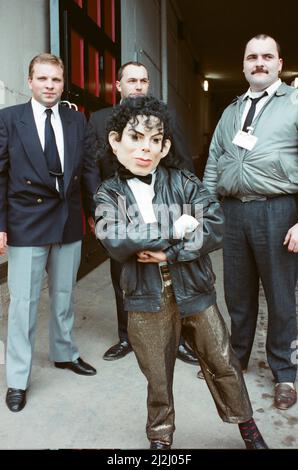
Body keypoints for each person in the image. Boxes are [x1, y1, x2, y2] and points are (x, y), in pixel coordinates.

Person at [94, 95, 268, 449]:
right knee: (157, 376)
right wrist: (176, 228)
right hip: (145, 298)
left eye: (154, 140)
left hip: (195, 291)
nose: (145, 149)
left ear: (165, 146)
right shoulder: (109, 193)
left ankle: (247, 426)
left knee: (223, 361)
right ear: (115, 142)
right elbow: (115, 237)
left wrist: (167, 252)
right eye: (135, 138)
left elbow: (215, 223)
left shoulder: (184, 182)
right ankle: (160, 439)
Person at [0, 53, 100, 412]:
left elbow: (89, 170)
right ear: (29, 81)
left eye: (55, 80)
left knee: (63, 294)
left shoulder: (76, 120)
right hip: (25, 220)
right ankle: (17, 378)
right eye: (42, 79)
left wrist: (95, 213)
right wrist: (0, 225)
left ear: (62, 83)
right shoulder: (9, 119)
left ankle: (64, 352)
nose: (49, 86)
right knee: (23, 305)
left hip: (68, 217)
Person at [203, 34, 298, 410]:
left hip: (279, 209)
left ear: (279, 63)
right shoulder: (231, 111)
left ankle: (285, 373)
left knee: (281, 296)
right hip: (234, 212)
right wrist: (209, 211)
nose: (259, 62)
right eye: (252, 57)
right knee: (237, 294)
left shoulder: (294, 103)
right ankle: (237, 358)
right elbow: (214, 162)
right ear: (243, 65)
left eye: (267, 57)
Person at [87, 61, 198, 365]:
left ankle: (176, 340)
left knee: (169, 272)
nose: (138, 86)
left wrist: (186, 210)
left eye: (144, 80)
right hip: (120, 208)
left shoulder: (164, 117)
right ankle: (128, 337)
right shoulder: (98, 121)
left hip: (159, 203)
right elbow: (90, 170)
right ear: (118, 85)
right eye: (132, 80)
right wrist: (97, 211)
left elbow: (182, 162)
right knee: (122, 275)